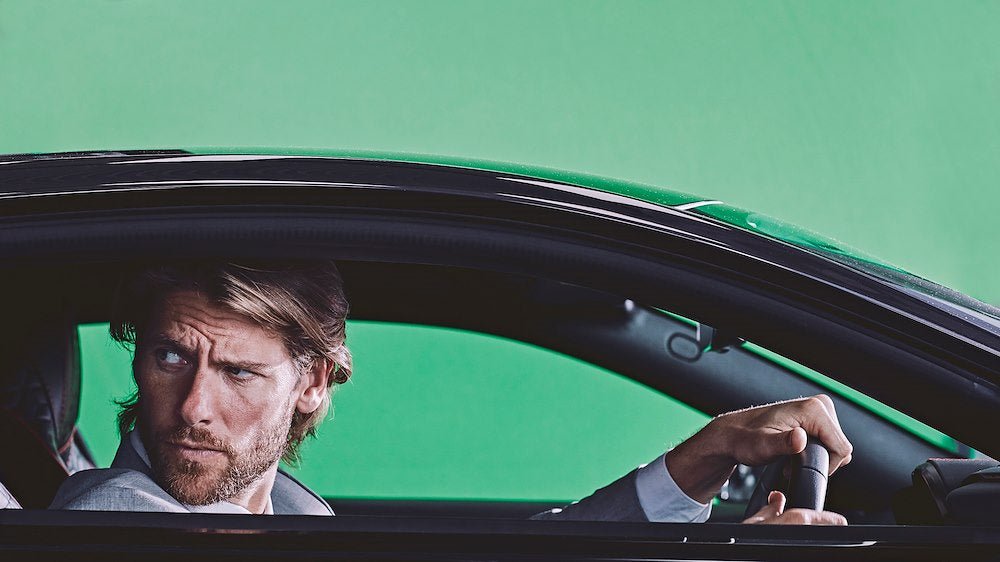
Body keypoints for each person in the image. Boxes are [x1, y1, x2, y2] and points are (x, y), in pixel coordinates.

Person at [50, 261, 852, 524]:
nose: (192, 405)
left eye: (237, 372)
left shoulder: (278, 509)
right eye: (168, 357)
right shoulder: (119, 521)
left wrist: (703, 457)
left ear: (315, 383)